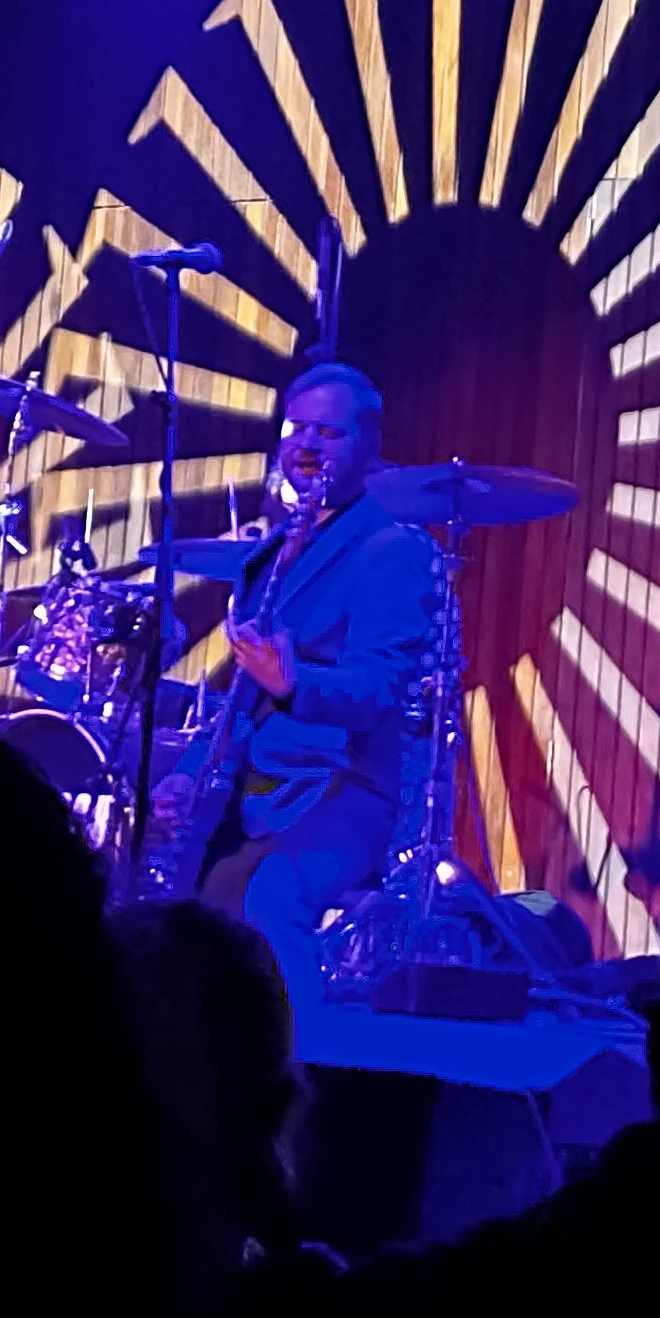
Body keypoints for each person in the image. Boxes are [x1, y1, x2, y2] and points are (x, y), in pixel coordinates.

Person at [170, 360, 442, 1003]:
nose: (308, 445)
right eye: (296, 429)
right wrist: (187, 773)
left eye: (329, 432)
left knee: (273, 893)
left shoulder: (391, 546)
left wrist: (298, 685)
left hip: (347, 789)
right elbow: (240, 699)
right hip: (262, 789)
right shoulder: (273, 553)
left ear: (368, 445)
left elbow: (381, 685)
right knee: (183, 908)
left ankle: (304, 1048)